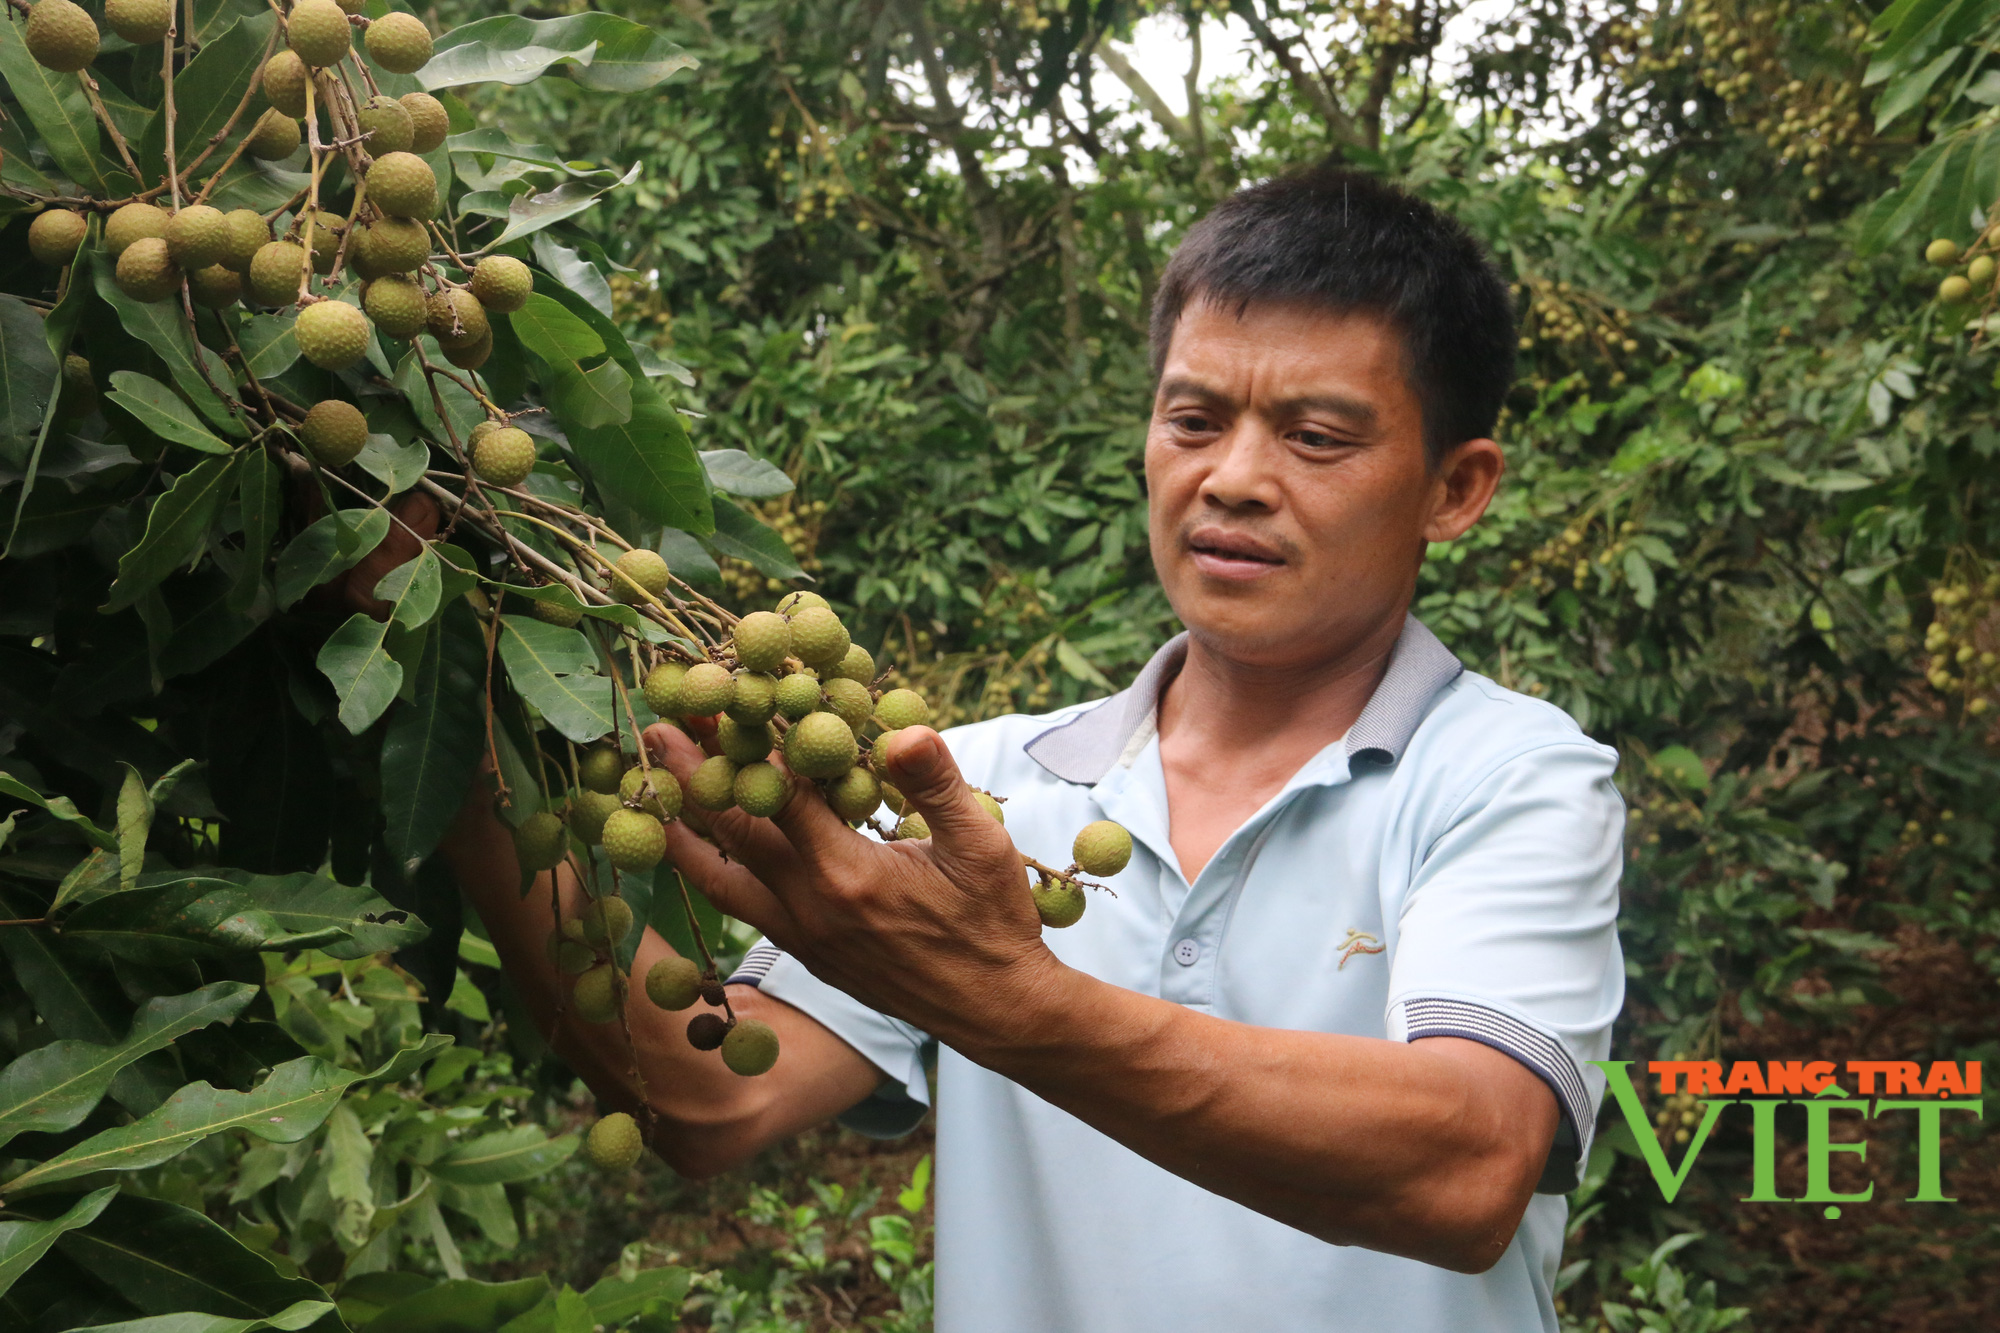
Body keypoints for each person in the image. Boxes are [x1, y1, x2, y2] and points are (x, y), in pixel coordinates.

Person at [443, 166, 1625, 1333]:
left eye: (1314, 436)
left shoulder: (1509, 776)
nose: (1232, 480)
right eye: (1193, 420)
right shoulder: (969, 789)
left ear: (1454, 488)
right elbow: (705, 1095)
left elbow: (1466, 1165)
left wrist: (1007, 997)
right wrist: (456, 705)